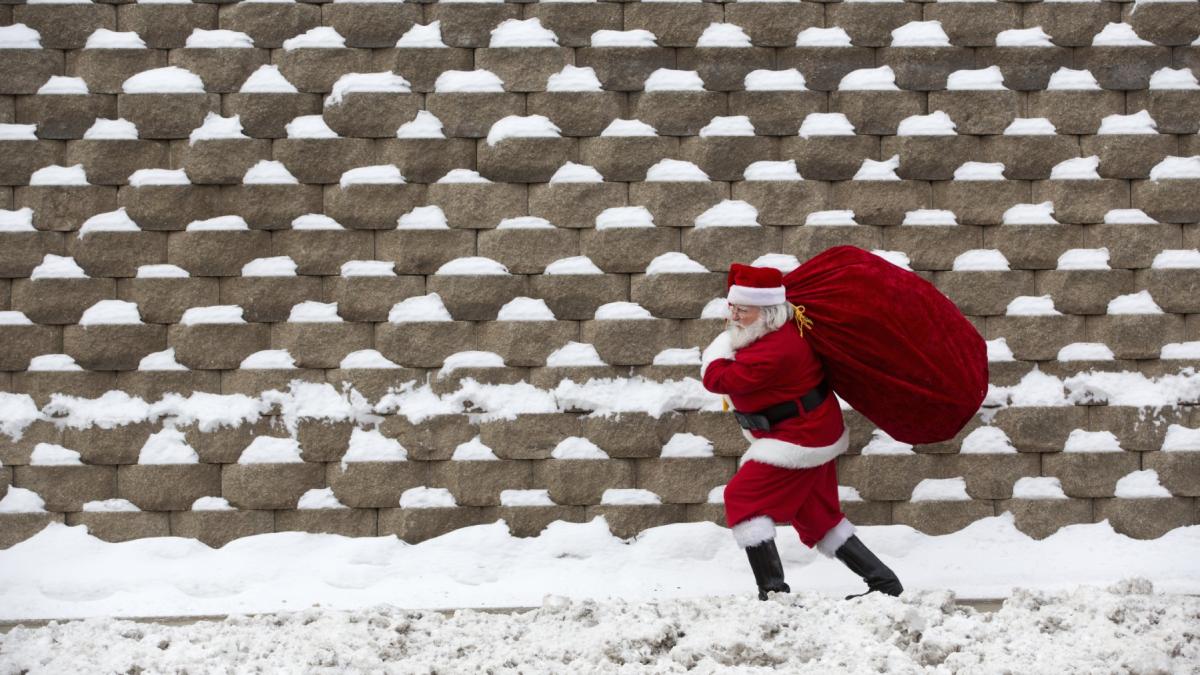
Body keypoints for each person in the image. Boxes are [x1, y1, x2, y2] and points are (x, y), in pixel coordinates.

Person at [701, 263, 903, 601]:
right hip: (808, 430)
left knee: (743, 498)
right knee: (818, 517)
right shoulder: (768, 332)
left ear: (767, 313)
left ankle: (774, 592)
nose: (733, 315)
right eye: (732, 306)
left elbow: (719, 379)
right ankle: (884, 583)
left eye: (743, 309)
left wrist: (718, 350)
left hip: (800, 437)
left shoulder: (777, 349)